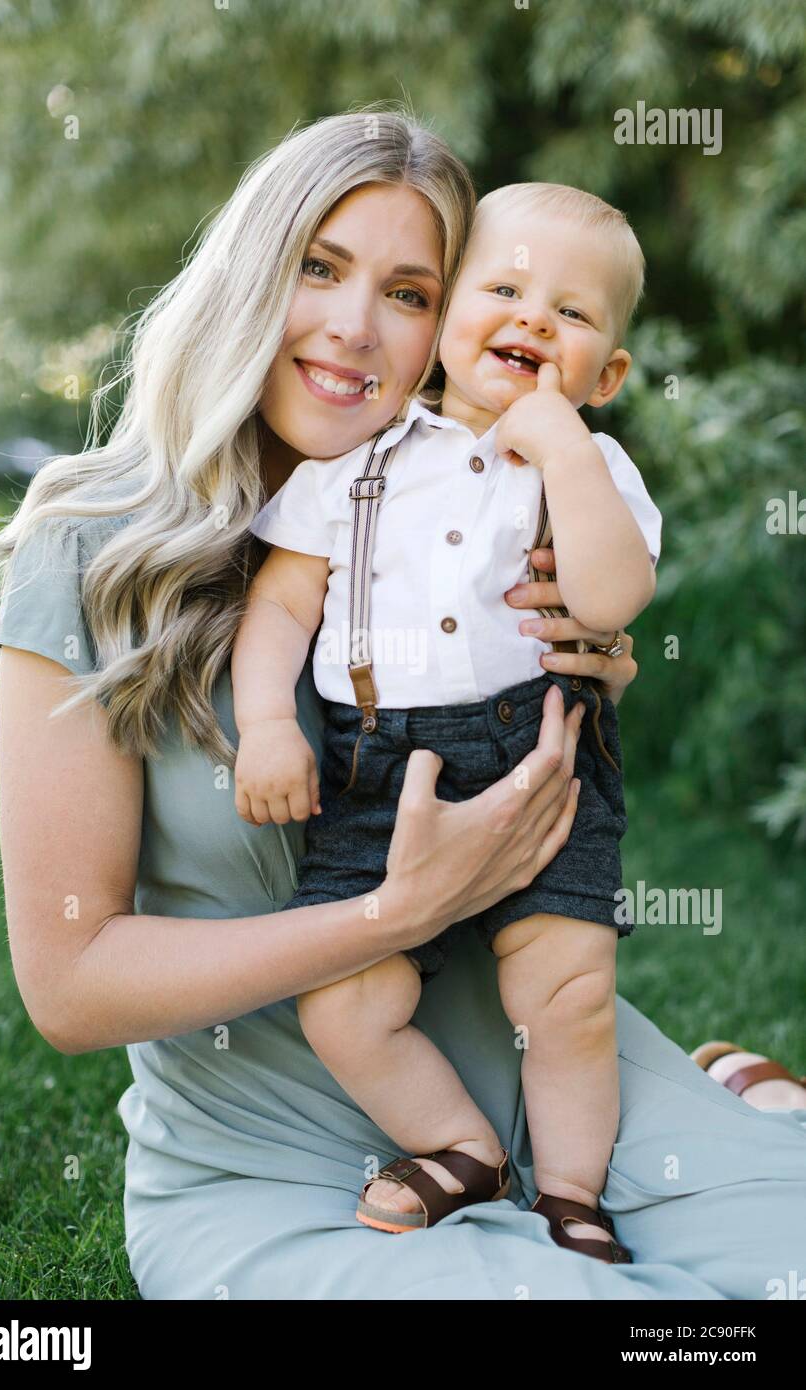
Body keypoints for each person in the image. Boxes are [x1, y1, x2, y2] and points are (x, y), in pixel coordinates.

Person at [0, 108, 804, 1300]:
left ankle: (735, 1106)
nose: (354, 326)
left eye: (406, 291)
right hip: (276, 1166)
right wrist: (397, 910)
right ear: (251, 274)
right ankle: (745, 1103)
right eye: (318, 267)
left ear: (445, 326)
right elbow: (71, 987)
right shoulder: (90, 549)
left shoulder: (499, 495)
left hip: (539, 1077)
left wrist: (599, 663)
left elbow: (590, 618)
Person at [231, 181, 660, 1262]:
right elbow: (282, 603)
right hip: (377, 764)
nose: (531, 320)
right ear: (438, 329)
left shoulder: (593, 469)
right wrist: (269, 727)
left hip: (538, 749)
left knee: (564, 993)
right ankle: (462, 1147)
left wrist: (560, 446)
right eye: (504, 289)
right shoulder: (358, 460)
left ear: (604, 374)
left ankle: (571, 1194)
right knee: (344, 998)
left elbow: (608, 604)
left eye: (569, 313)